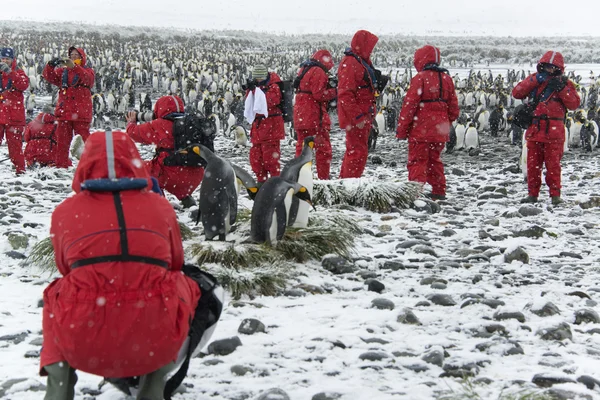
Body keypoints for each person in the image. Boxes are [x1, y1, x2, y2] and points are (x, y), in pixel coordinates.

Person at [40, 130, 202, 400]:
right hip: (153, 335)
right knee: (191, 287)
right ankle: (154, 383)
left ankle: (60, 386)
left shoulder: (65, 212)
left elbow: (65, 268)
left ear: (84, 164)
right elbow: (175, 264)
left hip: (81, 340)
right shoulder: (161, 207)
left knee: (57, 294)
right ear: (135, 160)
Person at [512, 51, 580, 205]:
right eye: (547, 66)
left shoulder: (565, 84)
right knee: (532, 165)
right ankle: (532, 194)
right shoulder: (535, 80)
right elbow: (517, 93)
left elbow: (574, 104)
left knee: (553, 166)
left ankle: (555, 195)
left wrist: (562, 89)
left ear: (559, 68)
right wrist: (535, 79)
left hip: (554, 132)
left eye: (553, 67)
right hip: (535, 129)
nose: (550, 70)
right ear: (541, 66)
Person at [396, 45, 460, 200]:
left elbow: (409, 106)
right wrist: (444, 122)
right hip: (439, 132)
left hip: (420, 131)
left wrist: (402, 130)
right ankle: (439, 191)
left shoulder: (420, 78)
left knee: (417, 161)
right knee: (435, 161)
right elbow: (454, 108)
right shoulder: (446, 79)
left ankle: (415, 193)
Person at [126, 95, 204, 208]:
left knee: (143, 170)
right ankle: (186, 198)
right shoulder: (193, 123)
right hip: (196, 174)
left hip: (173, 174)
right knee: (177, 167)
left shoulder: (160, 125)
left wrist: (131, 122)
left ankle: (159, 201)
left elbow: (133, 133)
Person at [337, 30, 382, 178]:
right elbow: (345, 94)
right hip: (358, 117)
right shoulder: (351, 62)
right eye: (370, 46)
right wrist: (358, 117)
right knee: (357, 152)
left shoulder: (359, 60)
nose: (372, 50)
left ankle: (345, 183)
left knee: (356, 151)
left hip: (363, 114)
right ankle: (349, 185)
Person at [42, 46, 95, 168]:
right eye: (72, 55)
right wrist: (50, 65)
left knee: (84, 141)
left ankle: (91, 165)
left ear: (82, 58)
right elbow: (50, 77)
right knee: (62, 142)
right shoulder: (63, 72)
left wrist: (74, 67)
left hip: (80, 113)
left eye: (77, 55)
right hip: (64, 112)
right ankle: (61, 165)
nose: (74, 57)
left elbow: (88, 80)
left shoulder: (88, 70)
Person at [293, 49, 337, 180]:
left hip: (301, 114)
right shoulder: (318, 71)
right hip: (313, 116)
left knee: (302, 147)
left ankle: (299, 177)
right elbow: (319, 94)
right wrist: (335, 91)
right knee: (323, 149)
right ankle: (323, 179)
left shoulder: (304, 69)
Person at [244, 64, 285, 183]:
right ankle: (261, 181)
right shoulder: (258, 87)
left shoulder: (274, 86)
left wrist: (256, 90)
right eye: (256, 78)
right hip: (258, 127)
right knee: (256, 158)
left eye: (260, 78)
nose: (258, 80)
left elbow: (270, 101)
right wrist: (251, 89)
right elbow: (250, 102)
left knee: (270, 158)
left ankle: (274, 183)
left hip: (271, 126)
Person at [0, 47, 29, 175]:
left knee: (15, 148)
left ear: (12, 60)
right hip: (1, 114)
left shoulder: (19, 72)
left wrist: (10, 72)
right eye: (2, 58)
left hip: (14, 116)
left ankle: (20, 171)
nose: (4, 61)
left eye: (7, 59)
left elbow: (24, 85)